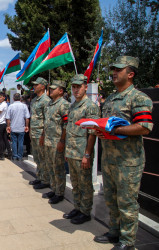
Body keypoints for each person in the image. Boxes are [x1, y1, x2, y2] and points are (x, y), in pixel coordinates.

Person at [93, 56, 153, 250]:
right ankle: (114, 232)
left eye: (118, 70)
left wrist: (115, 131)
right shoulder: (110, 99)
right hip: (109, 159)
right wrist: (100, 129)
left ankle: (127, 241)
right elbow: (106, 123)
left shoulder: (139, 98)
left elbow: (144, 127)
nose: (114, 73)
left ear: (131, 74)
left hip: (128, 162)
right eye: (113, 69)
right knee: (110, 199)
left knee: (127, 202)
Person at [63, 74, 100, 225]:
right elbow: (70, 129)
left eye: (79, 86)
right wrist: (67, 151)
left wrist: (87, 154)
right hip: (72, 152)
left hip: (82, 153)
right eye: (74, 87)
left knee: (85, 184)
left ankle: (85, 212)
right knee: (75, 183)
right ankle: (77, 207)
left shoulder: (90, 107)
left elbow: (92, 133)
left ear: (86, 87)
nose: (76, 90)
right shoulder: (72, 106)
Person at [41, 80, 70, 204]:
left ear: (61, 91)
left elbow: (66, 124)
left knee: (58, 168)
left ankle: (60, 192)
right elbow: (46, 122)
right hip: (48, 140)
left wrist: (62, 141)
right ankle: (54, 188)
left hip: (57, 141)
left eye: (53, 88)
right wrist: (42, 135)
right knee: (50, 167)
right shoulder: (49, 104)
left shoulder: (64, 104)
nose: (50, 90)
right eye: (50, 88)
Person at [30, 77, 51, 189]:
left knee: (43, 158)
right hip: (34, 132)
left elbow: (47, 120)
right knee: (37, 157)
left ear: (42, 86)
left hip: (41, 133)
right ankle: (39, 177)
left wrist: (43, 134)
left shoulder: (46, 101)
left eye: (36, 85)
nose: (34, 86)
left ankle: (45, 180)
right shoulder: (34, 100)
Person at [6, 93, 30, 161]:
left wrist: (8, 126)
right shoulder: (24, 106)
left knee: (14, 142)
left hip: (13, 127)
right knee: (20, 142)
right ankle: (19, 156)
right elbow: (27, 117)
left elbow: (8, 118)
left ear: (13, 99)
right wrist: (27, 126)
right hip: (21, 127)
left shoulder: (11, 106)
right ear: (20, 98)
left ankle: (14, 156)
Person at [0, 92, 12, 160]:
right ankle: (9, 153)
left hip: (0, 124)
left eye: (0, 97)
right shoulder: (4, 104)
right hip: (3, 123)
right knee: (5, 139)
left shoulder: (2, 105)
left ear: (4, 98)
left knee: (0, 140)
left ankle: (1, 155)